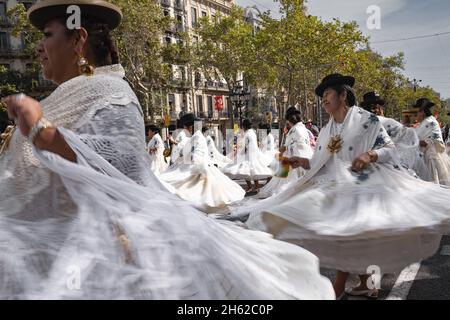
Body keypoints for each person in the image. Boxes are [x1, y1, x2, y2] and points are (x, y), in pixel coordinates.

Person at [0, 0, 335, 299]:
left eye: (46, 35)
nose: (38, 48)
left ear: (78, 39)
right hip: (62, 250)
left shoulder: (111, 93)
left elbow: (122, 162)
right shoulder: (69, 96)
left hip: (111, 256)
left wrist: (41, 132)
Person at [237, 73, 450, 299]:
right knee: (335, 232)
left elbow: (390, 150)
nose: (324, 100)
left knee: (347, 234)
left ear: (343, 95)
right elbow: (322, 163)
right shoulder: (327, 130)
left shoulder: (368, 120)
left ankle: (342, 284)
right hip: (336, 187)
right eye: (322, 97)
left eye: (327, 94)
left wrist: (370, 155)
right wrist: (303, 162)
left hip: (363, 188)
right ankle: (365, 282)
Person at [159, 114, 245, 212]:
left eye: (185, 128)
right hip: (193, 169)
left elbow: (198, 157)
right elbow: (185, 152)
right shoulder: (194, 137)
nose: (184, 131)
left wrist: (194, 166)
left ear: (190, 127)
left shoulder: (198, 137)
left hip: (197, 171)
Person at [361, 91, 431, 181]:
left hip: (365, 169)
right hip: (387, 170)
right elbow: (409, 139)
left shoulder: (359, 122)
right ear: (378, 108)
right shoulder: (387, 122)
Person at [258, 107, 313, 199]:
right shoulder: (303, 128)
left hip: (295, 157)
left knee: (286, 183)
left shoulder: (295, 130)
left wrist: (283, 150)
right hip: (305, 156)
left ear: (290, 120)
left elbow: (293, 145)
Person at [223, 119, 273, 193]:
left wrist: (240, 153)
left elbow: (245, 146)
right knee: (253, 171)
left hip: (248, 155)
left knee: (245, 171)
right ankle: (256, 187)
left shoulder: (246, 134)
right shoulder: (253, 132)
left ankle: (251, 186)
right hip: (254, 154)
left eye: (242, 126)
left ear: (244, 126)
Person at [414, 98, 450, 185]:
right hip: (423, 158)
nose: (415, 116)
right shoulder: (425, 122)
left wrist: (419, 142)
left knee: (432, 184)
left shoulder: (430, 122)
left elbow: (433, 141)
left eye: (416, 113)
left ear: (422, 112)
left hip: (430, 159)